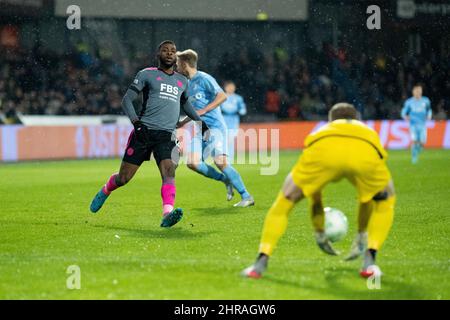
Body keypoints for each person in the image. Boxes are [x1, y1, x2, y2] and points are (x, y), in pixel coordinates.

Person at [242, 103, 395, 278]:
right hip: (364, 150)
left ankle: (260, 263)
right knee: (385, 199)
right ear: (356, 119)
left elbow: (315, 193)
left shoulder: (322, 131)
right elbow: (366, 196)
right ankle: (369, 260)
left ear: (331, 120)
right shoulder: (368, 131)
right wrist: (361, 233)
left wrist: (319, 231)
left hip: (323, 150)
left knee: (283, 204)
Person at [89, 40, 208, 228]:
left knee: (169, 171)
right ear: (158, 54)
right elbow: (127, 100)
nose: (169, 53)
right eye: (165, 50)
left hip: (167, 135)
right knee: (124, 178)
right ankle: (105, 190)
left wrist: (201, 123)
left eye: (173, 51)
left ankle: (167, 214)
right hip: (143, 132)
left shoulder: (182, 81)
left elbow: (185, 104)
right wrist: (136, 123)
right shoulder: (147, 74)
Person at [176, 49, 254, 207]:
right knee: (192, 163)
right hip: (201, 131)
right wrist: (181, 123)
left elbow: (223, 96)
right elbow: (194, 111)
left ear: (184, 64)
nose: (176, 66)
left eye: (178, 63)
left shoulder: (204, 78)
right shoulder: (187, 85)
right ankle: (225, 179)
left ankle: (247, 196)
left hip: (215, 128)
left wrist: (205, 110)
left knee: (220, 161)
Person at [401, 84, 432, 164]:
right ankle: (414, 158)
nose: (418, 92)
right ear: (413, 92)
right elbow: (404, 112)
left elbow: (429, 110)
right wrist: (405, 116)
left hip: (422, 125)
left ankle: (416, 151)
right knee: (414, 141)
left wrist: (429, 115)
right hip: (413, 125)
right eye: (416, 91)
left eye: (419, 91)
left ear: (421, 91)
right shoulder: (409, 102)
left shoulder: (426, 101)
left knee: (422, 143)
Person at [220, 81, 247, 159]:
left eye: (232, 87)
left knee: (231, 140)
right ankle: (222, 157)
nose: (231, 88)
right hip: (223, 120)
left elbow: (243, 110)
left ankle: (229, 158)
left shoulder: (238, 98)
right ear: (225, 88)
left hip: (234, 121)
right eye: (229, 87)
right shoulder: (221, 97)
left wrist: (238, 111)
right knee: (223, 140)